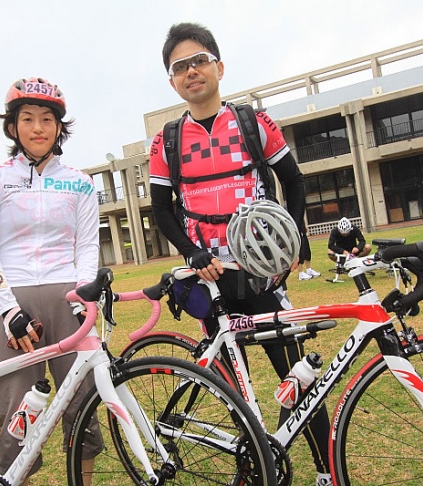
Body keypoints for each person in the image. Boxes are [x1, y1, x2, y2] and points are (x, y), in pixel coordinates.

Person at [149, 23, 333, 486]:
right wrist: (192, 255)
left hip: (262, 277)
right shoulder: (166, 141)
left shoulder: (253, 122)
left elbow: (293, 179)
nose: (192, 71)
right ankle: (254, 468)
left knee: (298, 379)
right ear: (172, 81)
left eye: (200, 61)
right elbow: (161, 210)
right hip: (210, 281)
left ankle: (326, 470)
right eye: (179, 67)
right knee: (235, 389)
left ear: (218, 67)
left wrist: (297, 238)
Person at [0, 77, 102, 485]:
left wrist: (84, 297)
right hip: (14, 300)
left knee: (81, 403)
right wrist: (8, 308)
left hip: (69, 299)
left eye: (47, 119)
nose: (38, 127)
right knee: (18, 411)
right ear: (13, 127)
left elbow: (88, 246)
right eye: (27, 118)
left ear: (60, 127)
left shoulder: (80, 182)